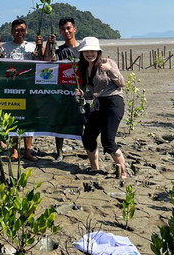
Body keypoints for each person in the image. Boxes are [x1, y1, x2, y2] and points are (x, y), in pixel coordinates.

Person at [76, 37, 128, 179]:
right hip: (99, 104)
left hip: (114, 102)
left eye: (92, 51)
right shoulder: (85, 69)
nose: (89, 54)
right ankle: (95, 168)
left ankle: (123, 172)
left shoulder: (107, 62)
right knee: (88, 137)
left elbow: (121, 83)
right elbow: (91, 94)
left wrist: (110, 70)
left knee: (108, 141)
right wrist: (83, 94)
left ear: (98, 51)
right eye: (86, 51)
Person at [2, 19, 43, 161]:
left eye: (23, 30)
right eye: (17, 30)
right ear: (12, 31)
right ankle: (14, 151)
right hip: (12, 90)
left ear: (26, 31)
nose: (20, 33)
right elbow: (0, 66)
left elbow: (42, 62)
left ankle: (27, 151)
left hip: (29, 90)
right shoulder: (5, 47)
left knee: (29, 120)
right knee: (13, 120)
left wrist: (41, 46)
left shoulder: (32, 47)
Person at [53, 17, 82, 161]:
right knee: (61, 120)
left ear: (74, 29)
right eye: (63, 29)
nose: (66, 31)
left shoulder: (84, 50)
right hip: (64, 92)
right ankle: (59, 151)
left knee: (87, 121)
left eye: (68, 28)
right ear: (60, 32)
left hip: (83, 92)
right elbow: (49, 61)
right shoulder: (60, 52)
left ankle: (90, 149)